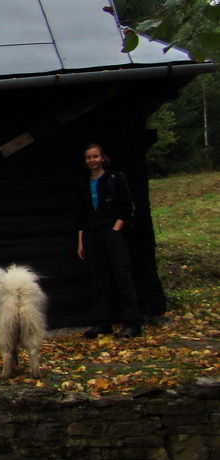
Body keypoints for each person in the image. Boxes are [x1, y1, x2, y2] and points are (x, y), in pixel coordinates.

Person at [76, 143, 143, 339]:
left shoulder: (114, 179)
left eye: (96, 156)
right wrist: (81, 242)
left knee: (122, 277)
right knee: (99, 280)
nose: (93, 160)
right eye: (89, 157)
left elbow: (126, 207)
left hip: (112, 233)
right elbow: (82, 216)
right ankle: (102, 323)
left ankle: (132, 323)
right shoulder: (84, 183)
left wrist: (115, 230)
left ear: (103, 158)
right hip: (92, 235)